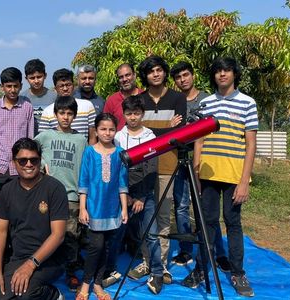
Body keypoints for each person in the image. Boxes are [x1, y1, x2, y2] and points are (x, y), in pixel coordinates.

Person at [182, 57, 257, 297]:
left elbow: (251, 143)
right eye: (218, 71)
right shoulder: (207, 103)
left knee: (233, 223)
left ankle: (237, 272)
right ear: (214, 76)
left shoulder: (248, 103)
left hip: (234, 173)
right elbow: (199, 138)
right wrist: (196, 170)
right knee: (207, 223)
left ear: (235, 74)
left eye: (227, 70)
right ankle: (202, 268)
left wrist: (245, 180)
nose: (222, 74)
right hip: (208, 172)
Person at [127, 55, 186, 284]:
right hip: (142, 168)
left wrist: (151, 130)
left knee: (162, 216)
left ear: (164, 72)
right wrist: (163, 129)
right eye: (151, 71)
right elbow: (137, 132)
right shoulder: (139, 99)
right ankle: (146, 261)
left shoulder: (177, 98)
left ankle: (160, 264)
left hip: (167, 165)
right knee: (144, 217)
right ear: (146, 76)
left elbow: (178, 134)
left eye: (159, 70)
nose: (156, 74)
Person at [0, 138, 68, 300]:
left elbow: (58, 235)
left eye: (34, 160)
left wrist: (30, 265)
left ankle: (53, 295)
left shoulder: (55, 188)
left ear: (40, 160)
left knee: (26, 295)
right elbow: (0, 231)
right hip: (18, 258)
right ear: (14, 162)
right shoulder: (7, 190)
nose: (28, 164)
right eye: (22, 160)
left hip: (49, 260)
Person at [169, 61, 231, 272]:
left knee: (206, 210)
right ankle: (185, 249)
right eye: (178, 77)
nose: (182, 80)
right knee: (182, 205)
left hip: (204, 159)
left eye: (185, 75)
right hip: (180, 157)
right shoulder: (175, 100)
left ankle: (218, 252)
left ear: (192, 75)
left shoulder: (207, 99)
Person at [102, 96, 164, 294]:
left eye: (136, 113)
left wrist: (142, 198)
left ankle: (156, 272)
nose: (133, 117)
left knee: (151, 234)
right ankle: (110, 270)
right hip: (123, 192)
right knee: (116, 233)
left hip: (145, 191)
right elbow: (116, 167)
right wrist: (125, 196)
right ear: (124, 115)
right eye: (129, 114)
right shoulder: (118, 136)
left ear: (142, 114)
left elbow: (152, 168)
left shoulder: (150, 136)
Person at [34, 95, 88, 292]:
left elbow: (85, 168)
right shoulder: (45, 136)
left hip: (71, 196)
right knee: (45, 233)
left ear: (74, 116)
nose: (65, 117)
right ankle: (44, 269)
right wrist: (39, 168)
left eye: (69, 114)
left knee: (70, 235)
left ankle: (71, 271)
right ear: (55, 114)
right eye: (62, 113)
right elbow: (29, 152)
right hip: (47, 194)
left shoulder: (81, 140)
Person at [76, 113, 129, 300]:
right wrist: (82, 208)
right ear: (96, 131)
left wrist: (124, 209)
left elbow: (122, 183)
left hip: (112, 208)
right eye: (103, 129)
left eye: (111, 129)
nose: (107, 133)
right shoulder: (90, 151)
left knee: (106, 247)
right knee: (95, 247)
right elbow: (84, 181)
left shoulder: (119, 152)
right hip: (94, 208)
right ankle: (85, 284)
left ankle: (97, 284)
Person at [0, 67, 34, 246]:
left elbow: (30, 137)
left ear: (21, 85)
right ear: (2, 87)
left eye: (16, 86)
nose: (13, 90)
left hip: (18, 168)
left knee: (19, 208)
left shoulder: (27, 106)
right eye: (9, 86)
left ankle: (15, 246)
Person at [38, 68, 97, 144]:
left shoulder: (87, 106)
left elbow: (92, 137)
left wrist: (89, 155)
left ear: (73, 85)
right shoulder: (47, 111)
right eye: (61, 86)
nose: (65, 89)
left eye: (68, 85)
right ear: (55, 88)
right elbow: (43, 140)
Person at [20, 59, 57, 135]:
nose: (36, 81)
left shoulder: (54, 97)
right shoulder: (22, 98)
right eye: (32, 78)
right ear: (26, 78)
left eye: (39, 77)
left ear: (45, 75)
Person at [103, 63, 144, 130]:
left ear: (134, 75)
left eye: (127, 75)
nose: (124, 79)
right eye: (121, 77)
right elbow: (106, 126)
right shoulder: (112, 100)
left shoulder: (145, 96)